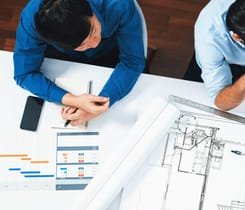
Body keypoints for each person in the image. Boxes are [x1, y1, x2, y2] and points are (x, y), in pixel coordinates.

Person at [14, 0, 146, 126]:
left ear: (90, 10)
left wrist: (98, 106)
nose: (94, 43)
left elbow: (132, 62)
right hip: (65, 59)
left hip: (112, 52)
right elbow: (24, 74)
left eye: (93, 30)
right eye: (82, 45)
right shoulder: (32, 20)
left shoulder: (117, 4)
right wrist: (73, 100)